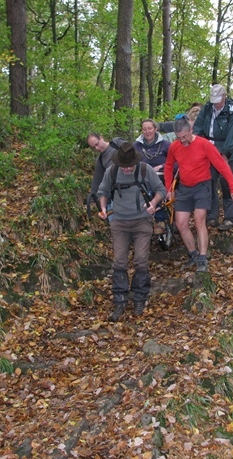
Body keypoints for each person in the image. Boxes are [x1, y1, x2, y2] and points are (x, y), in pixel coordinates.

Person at [97, 143, 167, 322]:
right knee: (119, 260)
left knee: (141, 260)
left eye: (130, 165)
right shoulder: (111, 172)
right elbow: (103, 191)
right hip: (119, 222)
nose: (127, 169)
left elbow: (161, 190)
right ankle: (119, 301)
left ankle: (139, 298)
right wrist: (103, 207)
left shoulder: (145, 170)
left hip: (142, 221)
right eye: (124, 166)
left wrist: (153, 203)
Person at [163, 118, 233, 273]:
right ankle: (193, 254)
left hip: (202, 186)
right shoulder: (174, 146)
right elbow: (169, 165)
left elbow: (221, 165)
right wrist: (169, 187)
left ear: (191, 130)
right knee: (181, 223)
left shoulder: (204, 144)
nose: (182, 141)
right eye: (179, 138)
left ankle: (203, 258)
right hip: (184, 188)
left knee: (199, 220)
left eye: (184, 137)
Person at [192, 84, 233, 231]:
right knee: (209, 182)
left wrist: (225, 155)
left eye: (219, 100)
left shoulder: (232, 112)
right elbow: (198, 128)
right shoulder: (206, 109)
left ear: (224, 97)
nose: (217, 103)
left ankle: (229, 217)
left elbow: (232, 135)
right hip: (208, 148)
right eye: (214, 100)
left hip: (225, 149)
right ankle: (212, 216)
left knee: (227, 183)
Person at [133, 119, 171, 234]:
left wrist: (162, 166)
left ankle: (160, 219)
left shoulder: (166, 145)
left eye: (150, 128)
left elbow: (176, 162)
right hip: (142, 176)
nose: (147, 131)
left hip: (161, 175)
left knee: (156, 188)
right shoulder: (136, 146)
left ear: (155, 129)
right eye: (144, 129)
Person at [86, 132, 126, 197]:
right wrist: (93, 197)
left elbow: (133, 153)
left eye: (97, 144)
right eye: (93, 147)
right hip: (118, 191)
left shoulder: (117, 143)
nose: (96, 148)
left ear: (101, 138)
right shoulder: (100, 161)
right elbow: (97, 180)